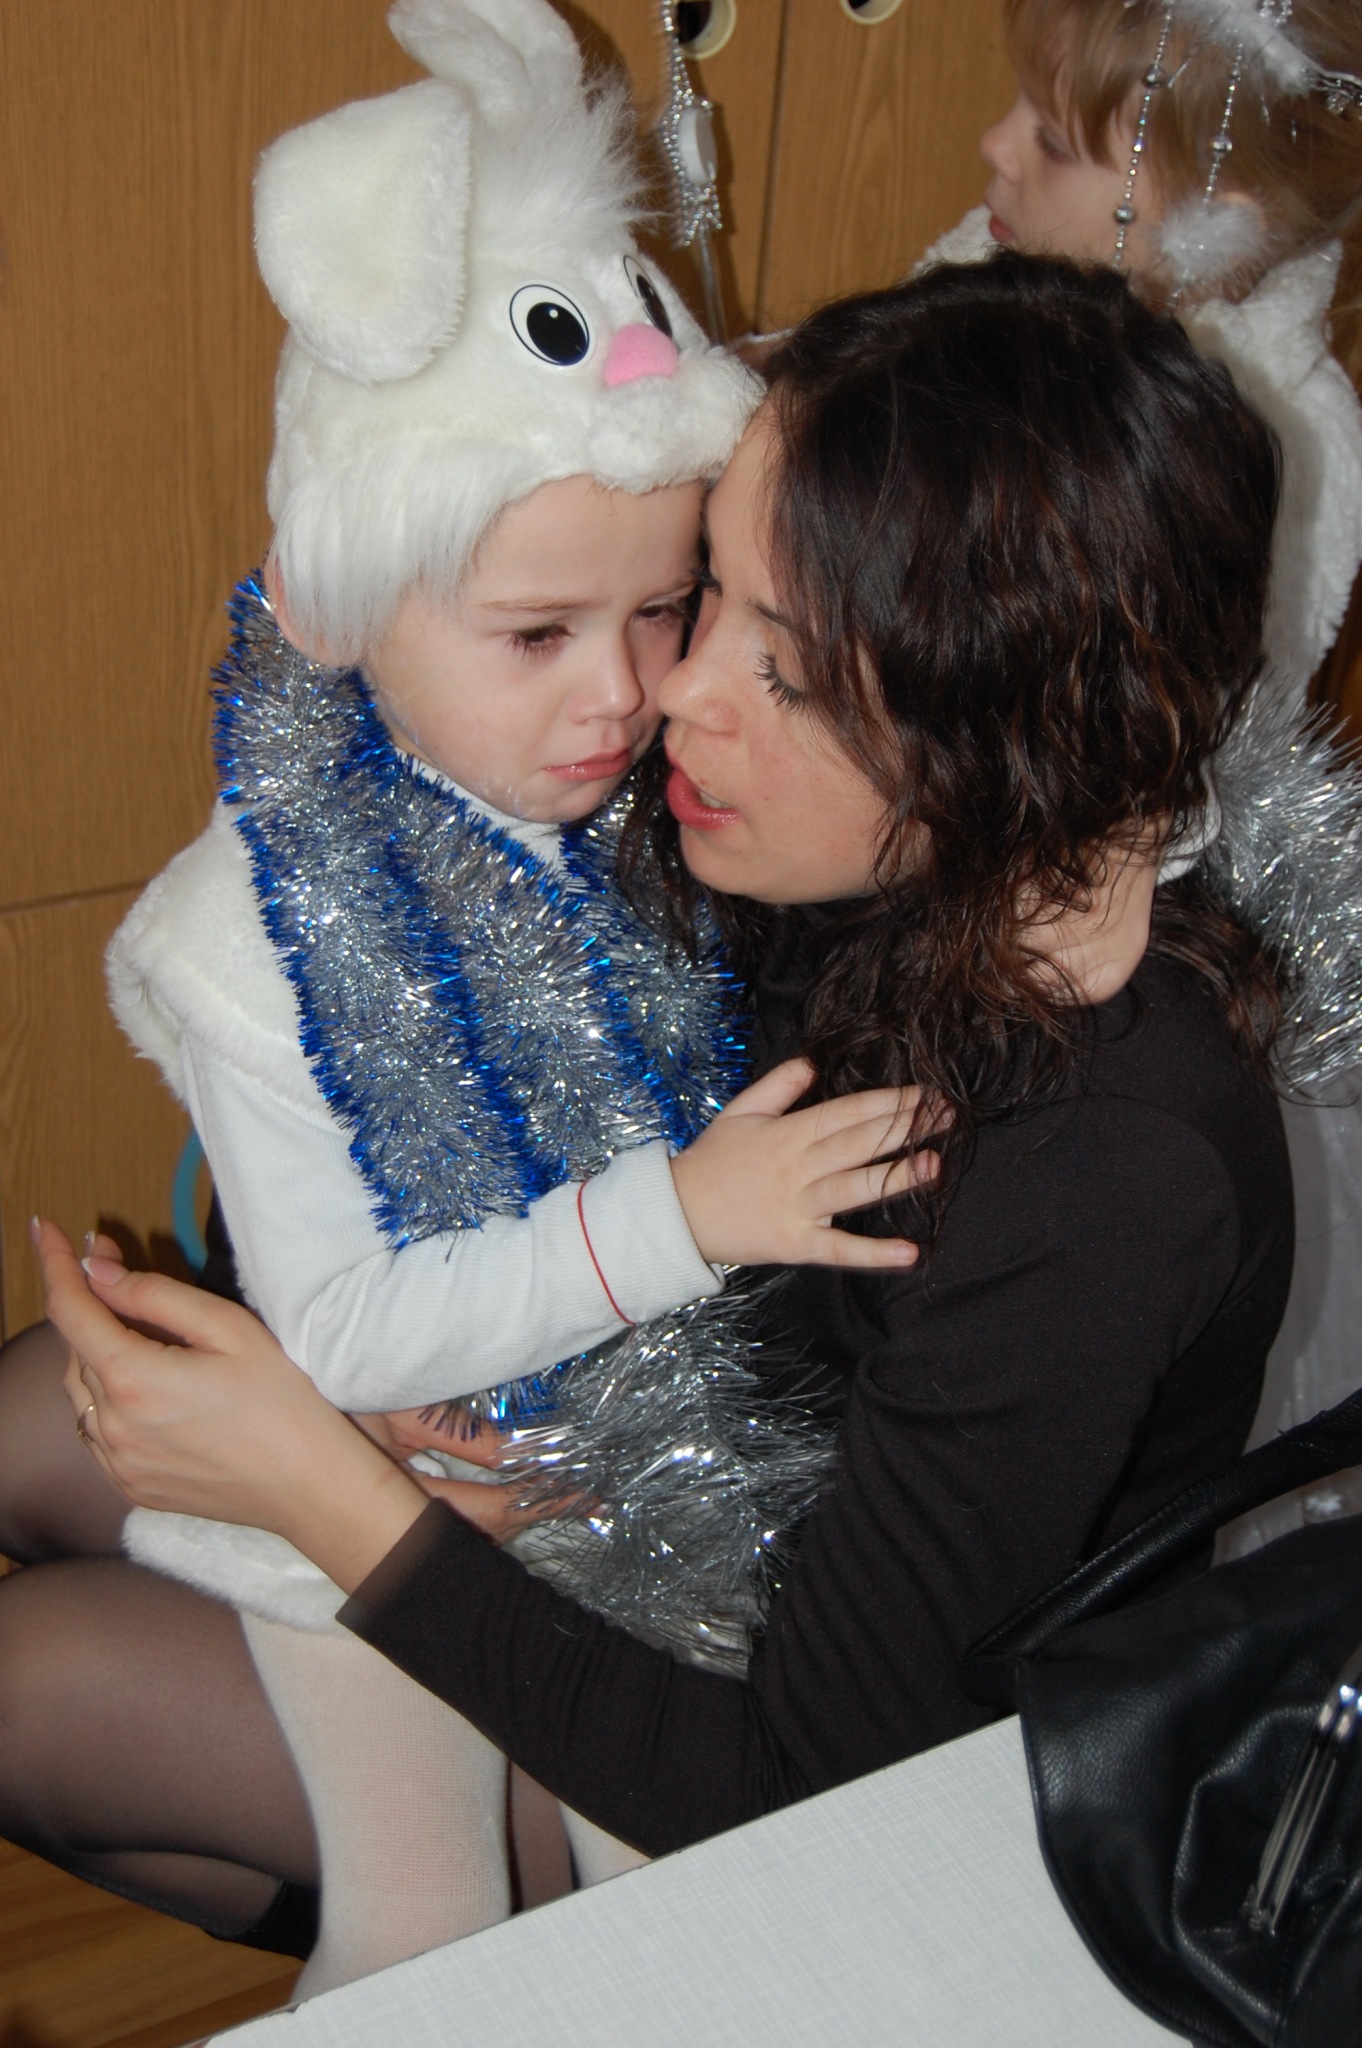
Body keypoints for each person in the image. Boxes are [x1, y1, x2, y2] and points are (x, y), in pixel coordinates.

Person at [36, 252, 1308, 1862]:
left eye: (789, 665)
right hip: (590, 1446)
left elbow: (793, 1783)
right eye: (707, 585)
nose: (668, 690)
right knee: (41, 1422)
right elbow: (337, 1100)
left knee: (35, 1685)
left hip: (791, 1751)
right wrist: (377, 1379)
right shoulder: (776, 828)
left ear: (995, 744)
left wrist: (326, 1490)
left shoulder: (1105, 1165)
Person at [85, 0, 931, 1999]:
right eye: (536, 632)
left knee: (697, 1910)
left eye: (662, 608)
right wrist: (686, 1218)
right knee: (425, 1924)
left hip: (660, 1472)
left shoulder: (651, 814)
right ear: (337, 602)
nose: (621, 693)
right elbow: (346, 1332)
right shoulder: (246, 940)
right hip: (373, 1499)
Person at [926, 0, 1362, 1529]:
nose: (991, 148)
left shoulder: (1272, 443)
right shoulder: (1005, 264)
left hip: (1051, 943)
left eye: (1050, 142)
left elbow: (1146, 773)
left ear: (1209, 215)